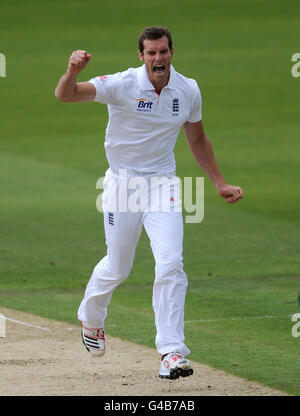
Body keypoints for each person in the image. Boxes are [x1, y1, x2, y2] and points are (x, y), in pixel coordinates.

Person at [55, 26, 243, 380]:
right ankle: (91, 316)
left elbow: (197, 136)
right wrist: (72, 72)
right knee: (118, 266)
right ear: (141, 56)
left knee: (171, 262)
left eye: (163, 52)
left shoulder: (187, 89)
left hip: (164, 184)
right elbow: (66, 95)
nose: (158, 58)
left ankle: (171, 352)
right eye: (151, 53)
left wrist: (218, 182)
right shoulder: (122, 84)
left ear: (172, 53)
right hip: (122, 184)